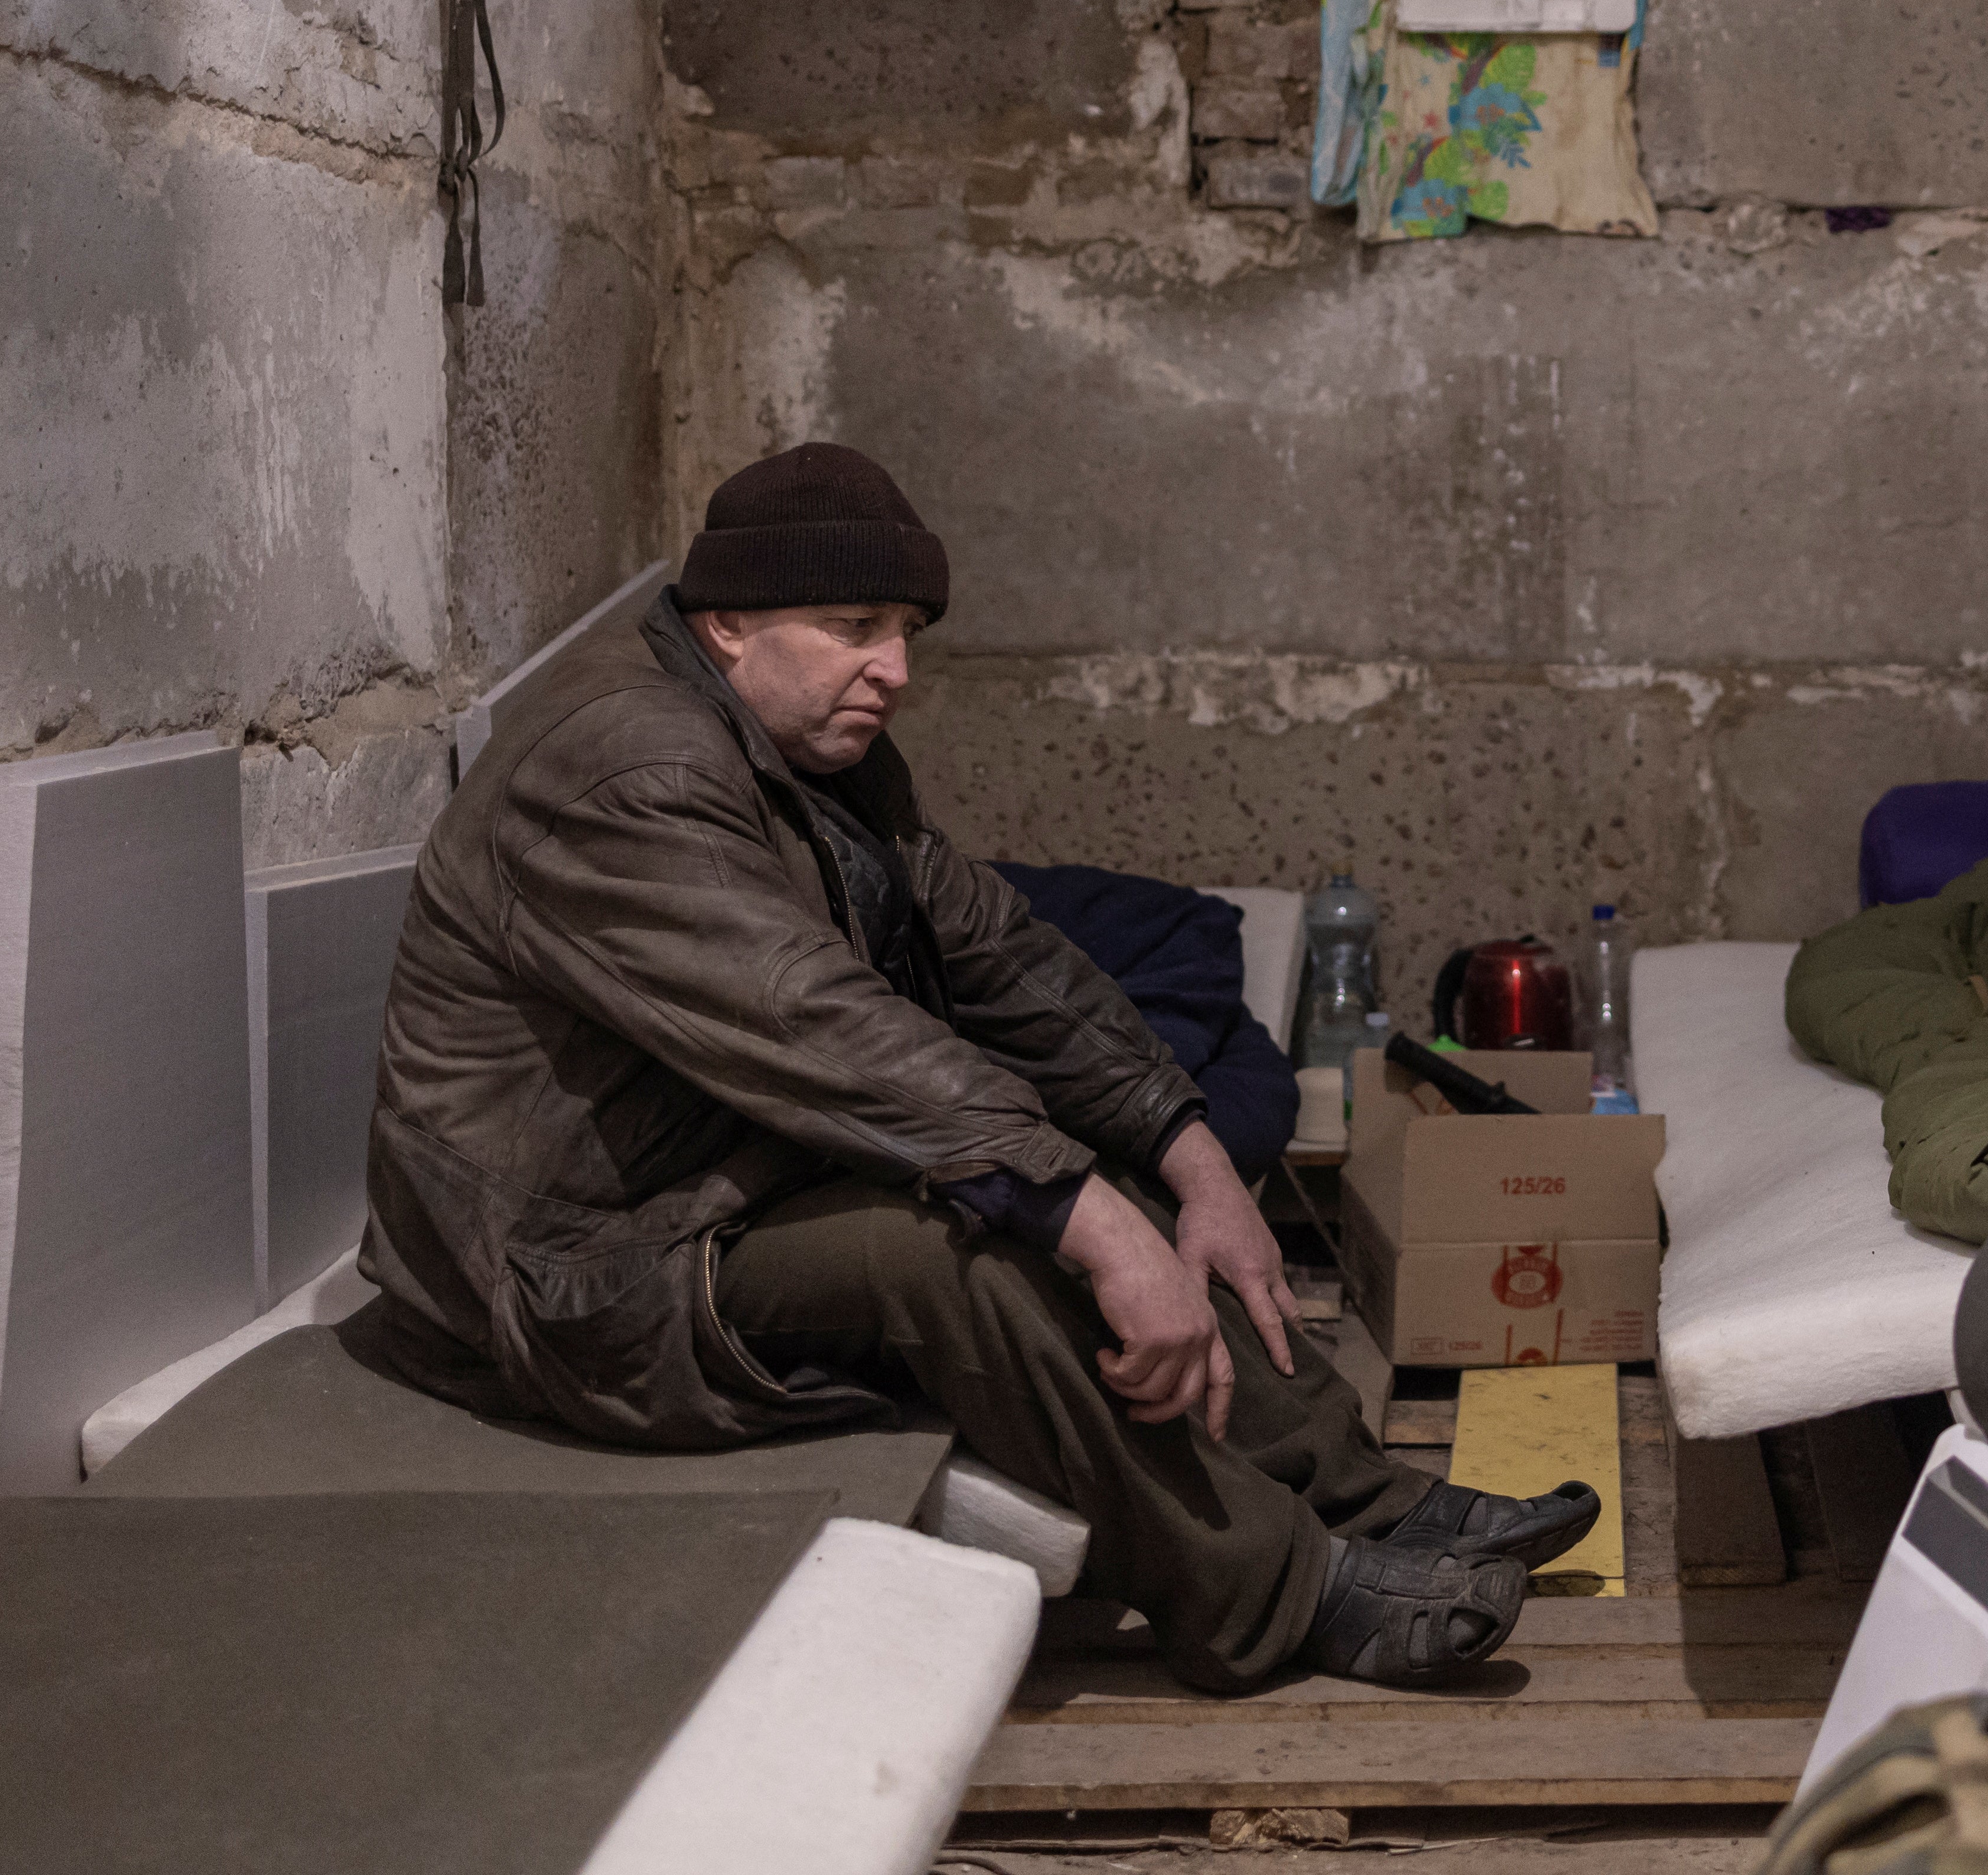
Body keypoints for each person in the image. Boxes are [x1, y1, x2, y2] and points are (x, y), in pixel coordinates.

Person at [357, 443, 1593, 1690]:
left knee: (1102, 1170)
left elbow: (999, 956)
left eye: (904, 630)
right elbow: (824, 1026)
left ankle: (1365, 1496)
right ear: (727, 622)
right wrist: (1096, 1223)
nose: (894, 669)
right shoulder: (628, 766)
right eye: (854, 626)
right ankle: (1272, 1590)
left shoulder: (806, 746)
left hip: (729, 1182)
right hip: (572, 1272)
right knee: (956, 1253)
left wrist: (1192, 1154)